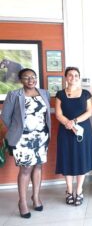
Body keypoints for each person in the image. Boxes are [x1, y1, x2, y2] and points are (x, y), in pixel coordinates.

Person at [1, 68, 51, 218]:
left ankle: (35, 197)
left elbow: (46, 115)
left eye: (33, 77)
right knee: (25, 169)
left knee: (38, 166)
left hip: (41, 136)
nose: (31, 80)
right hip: (23, 139)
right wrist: (18, 130)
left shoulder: (44, 93)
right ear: (20, 80)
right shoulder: (14, 95)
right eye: (26, 78)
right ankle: (22, 202)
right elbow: (5, 117)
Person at [55, 67, 92, 206]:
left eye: (76, 75)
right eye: (70, 75)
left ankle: (78, 191)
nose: (73, 77)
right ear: (66, 77)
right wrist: (68, 123)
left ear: (79, 77)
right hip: (65, 131)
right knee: (67, 159)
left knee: (81, 159)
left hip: (82, 131)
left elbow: (89, 112)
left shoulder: (86, 94)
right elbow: (58, 113)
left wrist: (74, 122)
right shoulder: (60, 94)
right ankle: (69, 190)